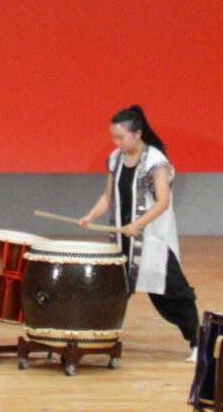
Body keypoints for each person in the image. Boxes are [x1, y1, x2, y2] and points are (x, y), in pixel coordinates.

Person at [75, 105, 197, 357]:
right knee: (114, 290)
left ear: (138, 134)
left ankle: (197, 342)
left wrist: (138, 224)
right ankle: (99, 338)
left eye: (121, 137)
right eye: (113, 137)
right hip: (123, 239)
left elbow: (162, 201)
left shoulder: (155, 161)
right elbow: (108, 196)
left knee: (172, 292)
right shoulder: (116, 158)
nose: (116, 142)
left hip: (153, 239)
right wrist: (90, 215)